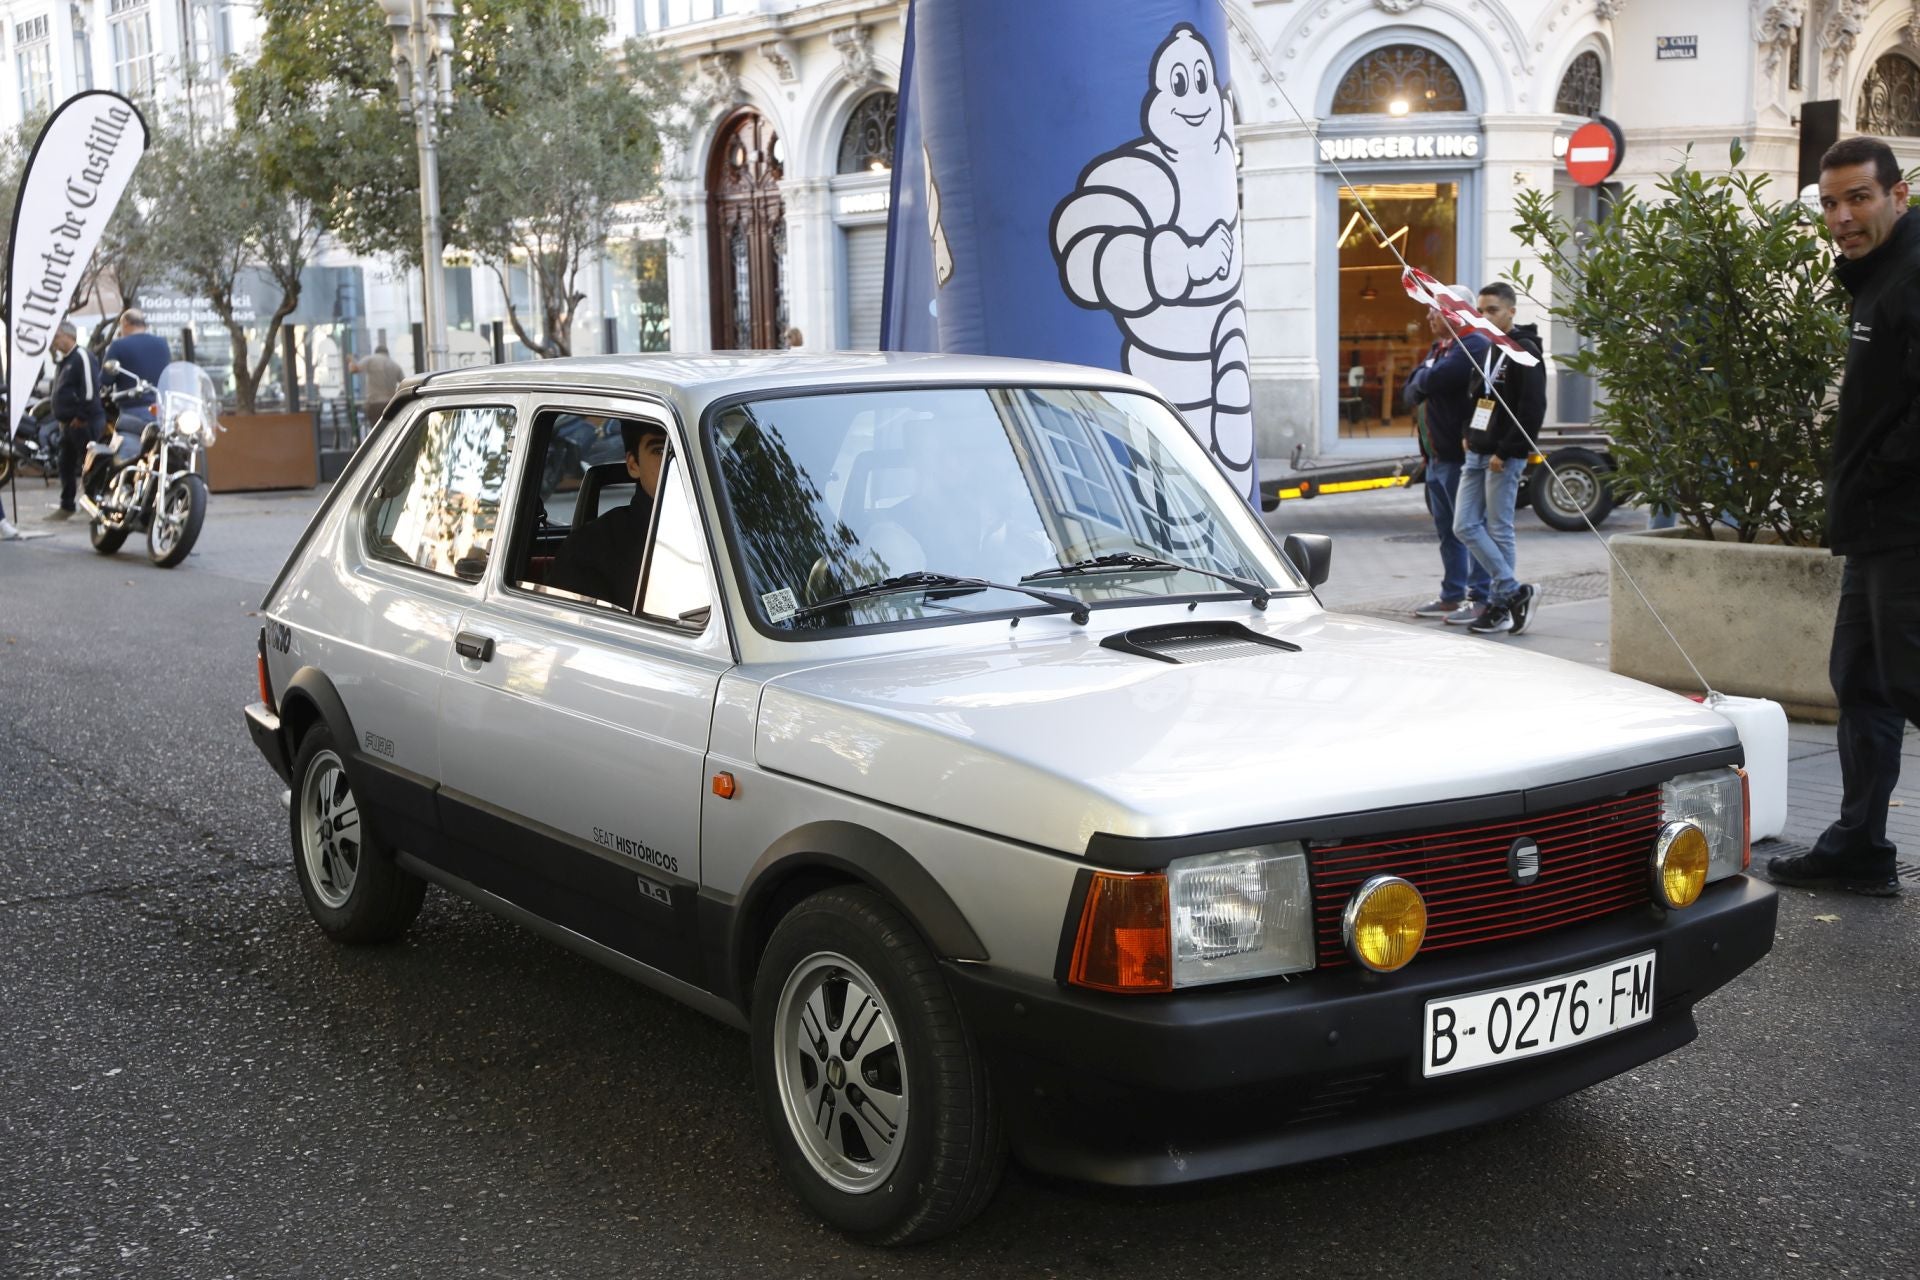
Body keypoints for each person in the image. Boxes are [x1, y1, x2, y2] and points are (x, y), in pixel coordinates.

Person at [1768, 135, 1920, 898]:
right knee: (1859, 681)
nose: (1842, 217)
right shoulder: (1875, 274)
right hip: (1874, 524)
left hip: (1907, 526)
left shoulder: (1913, 273)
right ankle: (1859, 846)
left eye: (1859, 197)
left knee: (1910, 683)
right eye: (1830, 203)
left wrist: (1877, 475)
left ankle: (1859, 844)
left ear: (1899, 195)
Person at [1436, 283, 1544, 635]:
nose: (1485, 316)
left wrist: (1507, 450)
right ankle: (1513, 590)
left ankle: (1500, 606)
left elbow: (1531, 408)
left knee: (1499, 529)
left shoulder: (1523, 350)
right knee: (1464, 525)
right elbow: (1477, 396)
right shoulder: (1488, 346)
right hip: (1477, 449)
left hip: (1502, 455)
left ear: (1511, 311)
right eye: (1480, 310)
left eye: (1492, 310)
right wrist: (1467, 433)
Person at [1403, 306, 1489, 620]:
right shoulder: (1441, 347)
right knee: (1447, 531)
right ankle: (1451, 595)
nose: (1428, 318)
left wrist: (1424, 378)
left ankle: (1482, 597)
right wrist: (1423, 379)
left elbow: (1439, 377)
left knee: (1470, 528)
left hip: (1456, 457)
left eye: (1435, 312)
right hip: (1435, 458)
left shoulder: (1473, 343)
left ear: (1455, 314)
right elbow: (1411, 387)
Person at [548, 419, 667, 609]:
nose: (679, 462)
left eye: (688, 450)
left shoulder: (718, 528)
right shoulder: (588, 549)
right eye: (660, 451)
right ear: (633, 465)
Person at [48, 320, 105, 521]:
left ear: (68, 335)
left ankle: (94, 504)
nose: (54, 342)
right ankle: (67, 505)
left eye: (56, 337)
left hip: (84, 422)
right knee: (65, 464)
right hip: (67, 424)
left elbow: (90, 389)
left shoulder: (82, 355)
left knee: (89, 465)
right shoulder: (64, 360)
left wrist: (81, 416)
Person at [103, 307, 170, 428]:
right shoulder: (162, 343)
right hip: (162, 410)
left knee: (125, 438)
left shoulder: (118, 345)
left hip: (132, 411)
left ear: (125, 323)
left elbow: (105, 380)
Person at [349, 343, 404, 428]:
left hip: (375, 403)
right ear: (387, 353)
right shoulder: (395, 365)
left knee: (377, 431)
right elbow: (404, 383)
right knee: (389, 430)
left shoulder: (370, 359)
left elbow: (354, 369)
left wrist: (350, 360)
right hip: (391, 404)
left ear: (376, 352)